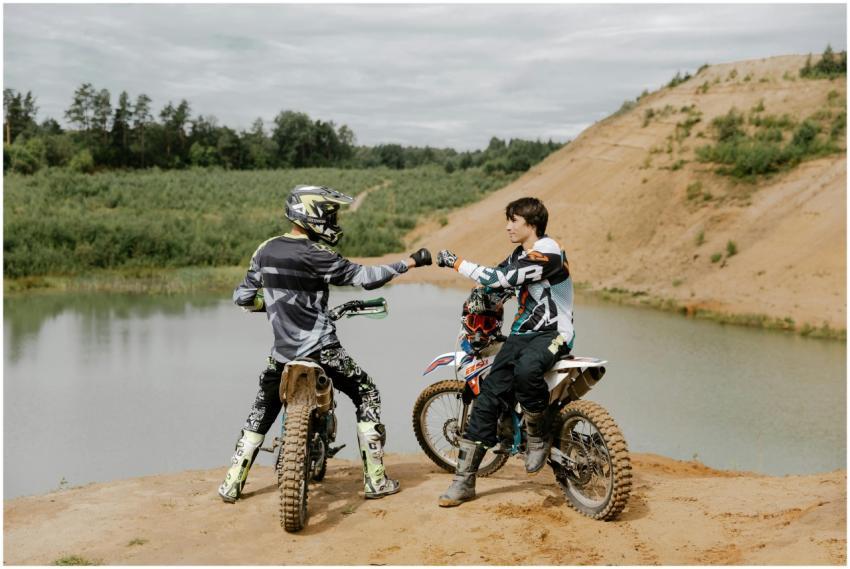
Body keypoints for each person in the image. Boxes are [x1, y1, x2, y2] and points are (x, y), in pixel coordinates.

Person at [218, 184, 432, 503]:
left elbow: (243, 297)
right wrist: (410, 262)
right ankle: (375, 479)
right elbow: (367, 277)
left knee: (261, 412)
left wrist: (277, 302)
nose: (333, 221)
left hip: (282, 353)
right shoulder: (318, 255)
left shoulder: (265, 249)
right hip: (323, 350)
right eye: (329, 214)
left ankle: (232, 483)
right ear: (312, 214)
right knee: (367, 392)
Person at [434, 196, 574, 507]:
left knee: (527, 370)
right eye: (507, 219)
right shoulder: (519, 254)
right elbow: (495, 284)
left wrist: (456, 262)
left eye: (514, 220)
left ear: (532, 225)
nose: (508, 226)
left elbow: (502, 278)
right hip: (522, 334)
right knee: (487, 398)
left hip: (554, 333)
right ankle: (463, 481)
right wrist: (479, 304)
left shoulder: (548, 252)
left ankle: (538, 435)